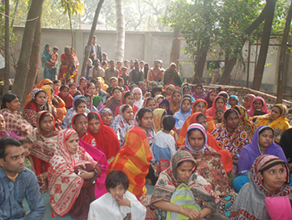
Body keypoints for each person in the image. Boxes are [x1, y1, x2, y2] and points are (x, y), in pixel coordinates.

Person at [180, 123, 236, 217]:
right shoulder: (181, 155)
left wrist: (214, 193)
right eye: (193, 139)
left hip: (213, 194)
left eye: (200, 139)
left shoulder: (213, 155)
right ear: (188, 138)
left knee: (233, 199)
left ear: (205, 138)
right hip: (188, 194)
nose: (196, 142)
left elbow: (220, 179)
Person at [150, 150, 219, 219]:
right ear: (175, 168)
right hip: (172, 212)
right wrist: (182, 210)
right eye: (183, 170)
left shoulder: (195, 177)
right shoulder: (166, 176)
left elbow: (214, 202)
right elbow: (157, 201)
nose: (187, 174)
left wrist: (199, 215)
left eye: (189, 170)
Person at [48, 129, 102, 219]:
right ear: (62, 143)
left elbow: (97, 166)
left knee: (87, 166)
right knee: (79, 170)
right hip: (66, 195)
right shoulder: (57, 160)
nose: (75, 144)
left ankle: (86, 205)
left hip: (84, 186)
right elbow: (76, 181)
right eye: (71, 141)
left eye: (76, 140)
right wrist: (92, 177)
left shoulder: (80, 151)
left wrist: (90, 175)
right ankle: (81, 208)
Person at [107, 108, 153, 199]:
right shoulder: (123, 164)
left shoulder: (149, 131)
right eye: (146, 118)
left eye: (151, 118)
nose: (149, 121)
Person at [230, 155, 292, 219]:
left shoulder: (288, 193)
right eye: (272, 172)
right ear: (260, 175)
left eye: (281, 171)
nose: (279, 176)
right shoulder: (249, 191)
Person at [0, 137, 45, 220]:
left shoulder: (28, 176)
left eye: (22, 156)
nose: (21, 161)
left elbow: (38, 208)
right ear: (1, 162)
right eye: (15, 158)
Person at [233, 125, 287, 192]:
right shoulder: (247, 150)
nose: (268, 139)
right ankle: (260, 194)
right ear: (257, 137)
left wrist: (270, 176)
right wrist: (260, 177)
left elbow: (284, 167)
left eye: (270, 137)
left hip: (274, 178)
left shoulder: (277, 149)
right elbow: (243, 171)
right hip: (253, 179)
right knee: (238, 181)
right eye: (265, 136)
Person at [27, 111, 59, 193]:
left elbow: (59, 151)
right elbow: (27, 146)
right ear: (39, 123)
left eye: (50, 121)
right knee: (36, 146)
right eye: (45, 122)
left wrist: (46, 149)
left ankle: (44, 179)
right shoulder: (35, 133)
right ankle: (39, 177)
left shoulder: (58, 134)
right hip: (37, 161)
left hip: (51, 163)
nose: (48, 124)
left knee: (51, 152)